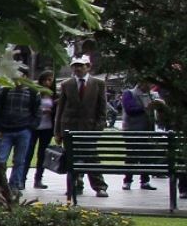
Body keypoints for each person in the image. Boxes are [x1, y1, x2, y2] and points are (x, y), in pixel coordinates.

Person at [54, 55, 110, 198]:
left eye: (81, 65)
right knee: (71, 158)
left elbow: (102, 109)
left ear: (88, 67)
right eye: (75, 66)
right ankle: (75, 185)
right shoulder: (67, 84)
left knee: (92, 158)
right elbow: (60, 110)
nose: (78, 68)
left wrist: (98, 129)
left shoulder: (98, 83)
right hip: (70, 128)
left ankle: (99, 186)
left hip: (89, 129)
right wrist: (58, 132)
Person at [120, 80, 162, 190]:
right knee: (131, 157)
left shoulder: (153, 95)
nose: (150, 86)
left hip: (149, 130)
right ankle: (127, 181)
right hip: (132, 130)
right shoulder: (129, 93)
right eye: (148, 83)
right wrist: (147, 107)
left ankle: (145, 181)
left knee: (147, 157)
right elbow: (130, 110)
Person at [31, 71, 57, 189]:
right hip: (34, 127)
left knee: (42, 154)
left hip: (47, 128)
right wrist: (40, 111)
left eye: (50, 80)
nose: (47, 82)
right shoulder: (34, 93)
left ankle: (38, 179)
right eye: (45, 80)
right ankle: (21, 179)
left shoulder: (54, 95)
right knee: (28, 153)